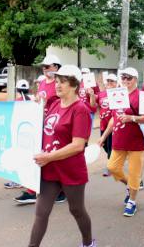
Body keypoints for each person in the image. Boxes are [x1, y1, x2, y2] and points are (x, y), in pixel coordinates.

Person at [28, 65, 96, 247]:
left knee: (77, 210)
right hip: (49, 169)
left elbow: (77, 145)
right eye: (56, 81)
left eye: (63, 81)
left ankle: (88, 242)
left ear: (74, 85)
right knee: (41, 213)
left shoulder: (80, 109)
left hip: (70, 170)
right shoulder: (55, 103)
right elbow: (46, 130)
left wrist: (49, 157)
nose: (57, 85)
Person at [98, 67, 144, 217]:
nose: (126, 81)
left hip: (135, 141)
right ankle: (130, 186)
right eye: (124, 78)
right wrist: (103, 137)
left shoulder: (141, 96)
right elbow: (113, 118)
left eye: (130, 78)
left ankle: (132, 202)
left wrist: (131, 118)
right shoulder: (117, 94)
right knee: (112, 167)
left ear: (136, 79)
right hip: (119, 139)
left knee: (135, 173)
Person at [15, 55, 66, 204]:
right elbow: (40, 99)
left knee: (54, 156)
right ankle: (33, 190)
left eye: (48, 66)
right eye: (43, 66)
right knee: (38, 154)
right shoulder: (42, 82)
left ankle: (62, 190)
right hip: (40, 123)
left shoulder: (60, 84)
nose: (44, 69)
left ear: (56, 67)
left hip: (55, 125)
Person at [4, 79, 32, 189]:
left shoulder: (18, 101)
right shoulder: (32, 100)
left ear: (17, 89)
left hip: (20, 134)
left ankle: (17, 180)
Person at [96, 73, 117, 176]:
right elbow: (95, 105)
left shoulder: (118, 94)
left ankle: (110, 167)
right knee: (104, 145)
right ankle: (114, 160)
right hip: (103, 124)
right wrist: (91, 95)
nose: (109, 83)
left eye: (112, 81)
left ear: (116, 83)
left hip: (113, 125)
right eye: (108, 81)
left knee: (110, 146)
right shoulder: (101, 94)